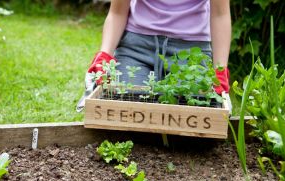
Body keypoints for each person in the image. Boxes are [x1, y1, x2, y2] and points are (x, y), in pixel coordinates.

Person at [77, 0, 231, 111]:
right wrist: (104, 55)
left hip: (191, 53)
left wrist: (220, 70)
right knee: (125, 108)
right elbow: (117, 12)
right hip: (136, 49)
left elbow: (220, 14)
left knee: (190, 116)